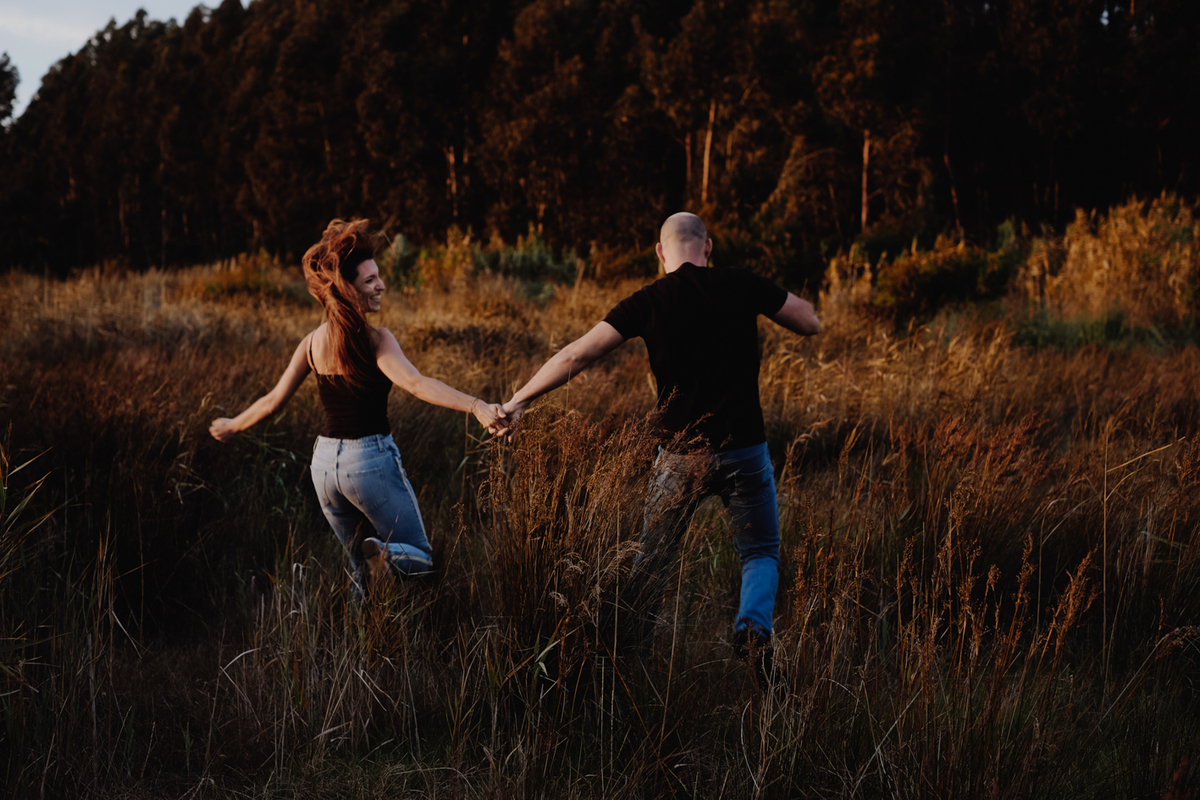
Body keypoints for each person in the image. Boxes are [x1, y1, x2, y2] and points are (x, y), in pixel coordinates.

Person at [501, 212, 819, 682]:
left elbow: (577, 354)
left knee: (653, 559)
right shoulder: (740, 283)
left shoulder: (649, 301)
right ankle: (753, 628)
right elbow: (809, 321)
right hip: (745, 450)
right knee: (760, 553)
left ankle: (630, 658)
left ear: (659, 252)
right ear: (707, 247)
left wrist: (518, 399)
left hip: (679, 454)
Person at [210, 218, 507, 601]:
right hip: (369, 462)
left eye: (378, 277)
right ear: (348, 289)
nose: (381, 285)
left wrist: (232, 425)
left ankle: (362, 643)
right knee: (421, 559)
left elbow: (272, 402)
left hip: (323, 467)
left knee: (359, 570)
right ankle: (383, 553)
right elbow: (415, 384)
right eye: (370, 281)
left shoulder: (313, 342)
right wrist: (478, 406)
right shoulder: (376, 340)